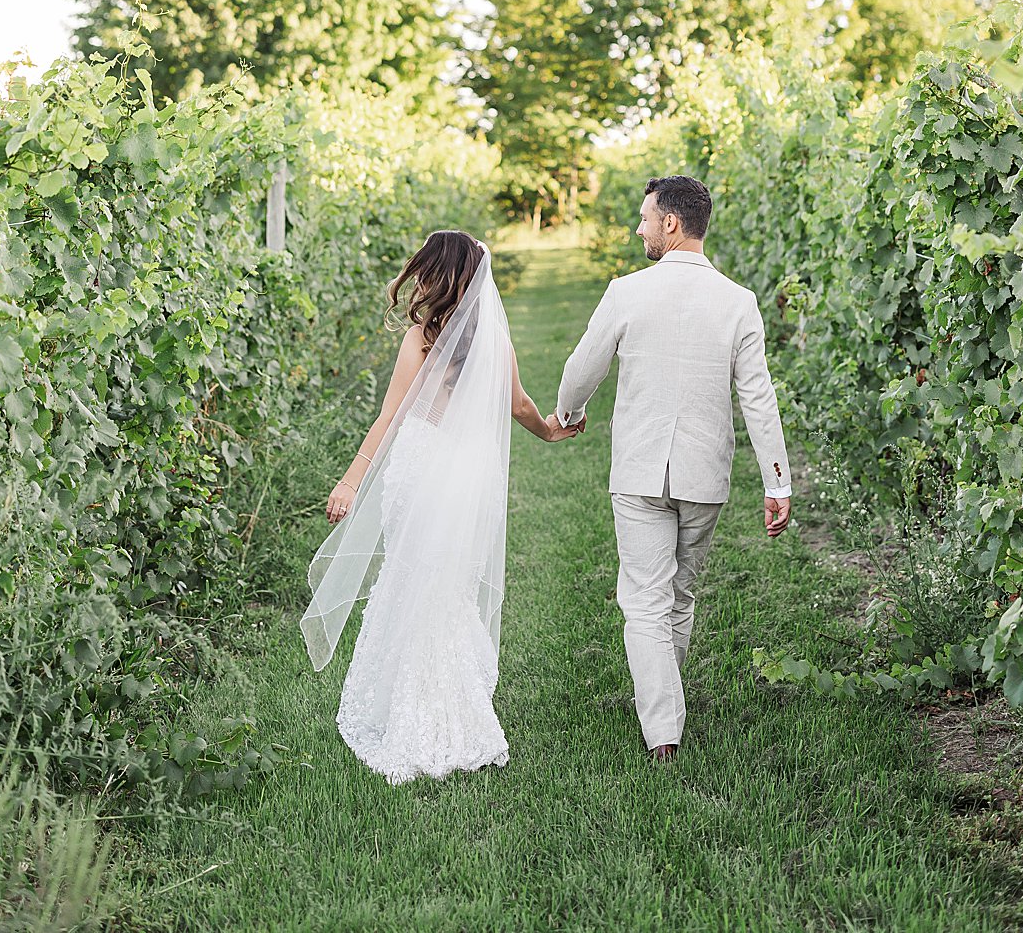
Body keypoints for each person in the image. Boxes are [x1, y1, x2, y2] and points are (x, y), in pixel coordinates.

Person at [299, 230, 579, 784]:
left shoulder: (422, 338)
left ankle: (414, 716)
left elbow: (389, 416)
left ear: (441, 278)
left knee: (410, 581)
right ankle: (449, 714)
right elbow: (519, 404)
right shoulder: (496, 341)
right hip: (466, 475)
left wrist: (353, 480)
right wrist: (548, 433)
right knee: (446, 589)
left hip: (419, 464)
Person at [555, 175, 792, 761]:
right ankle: (666, 706)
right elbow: (758, 397)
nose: (638, 228)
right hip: (704, 475)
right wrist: (776, 480)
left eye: (644, 218)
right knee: (678, 595)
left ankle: (663, 730)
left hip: (639, 470)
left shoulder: (626, 292)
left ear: (671, 224)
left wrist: (569, 409)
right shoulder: (739, 302)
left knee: (644, 599)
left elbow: (583, 366)